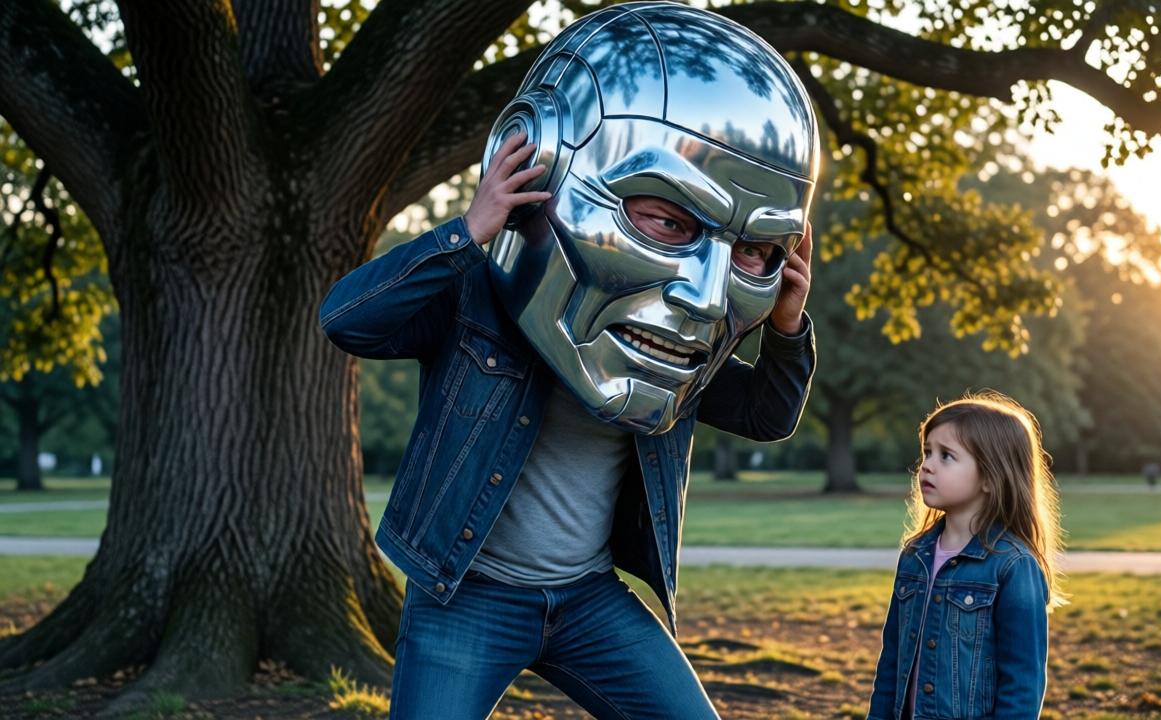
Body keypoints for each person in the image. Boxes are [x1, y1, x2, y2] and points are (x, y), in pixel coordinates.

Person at [318, 4, 821, 717]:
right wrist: (470, 230)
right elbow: (347, 320)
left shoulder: (676, 357)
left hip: (589, 600)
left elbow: (768, 417)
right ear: (541, 155)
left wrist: (789, 324)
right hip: (468, 593)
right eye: (669, 221)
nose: (708, 300)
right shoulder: (474, 300)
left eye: (754, 251)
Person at [867, 392, 1066, 720]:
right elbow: (890, 665)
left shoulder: (1014, 566)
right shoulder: (915, 555)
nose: (927, 465)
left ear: (990, 477)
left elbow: (1022, 685)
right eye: (927, 452)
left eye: (946, 456)